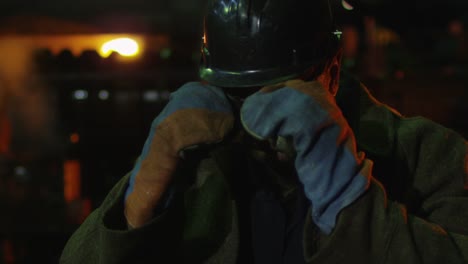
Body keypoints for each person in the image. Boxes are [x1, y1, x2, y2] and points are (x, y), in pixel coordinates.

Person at [60, 0, 468, 263]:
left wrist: (348, 197)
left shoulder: (427, 153)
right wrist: (145, 189)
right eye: (239, 91)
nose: (258, 108)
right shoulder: (195, 161)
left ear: (332, 68)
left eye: (282, 87)